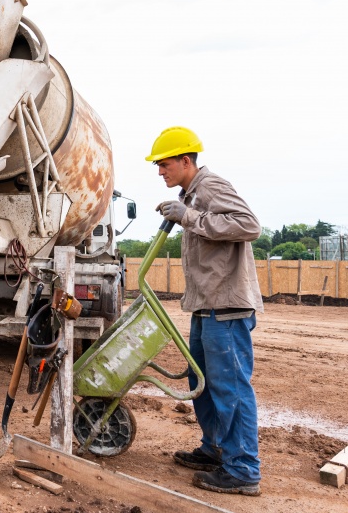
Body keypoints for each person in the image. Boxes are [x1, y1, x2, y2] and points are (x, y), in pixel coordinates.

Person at [147, 126, 263, 496]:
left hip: (226, 309)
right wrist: (186, 212)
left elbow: (249, 224)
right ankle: (216, 450)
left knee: (230, 389)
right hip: (207, 307)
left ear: (186, 160)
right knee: (203, 385)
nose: (160, 171)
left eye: (164, 164)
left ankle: (243, 469)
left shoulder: (211, 186)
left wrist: (189, 217)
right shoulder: (192, 194)